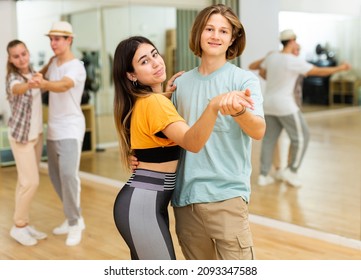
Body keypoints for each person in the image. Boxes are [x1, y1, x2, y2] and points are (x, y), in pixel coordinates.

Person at [112, 36, 253, 260]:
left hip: (141, 203)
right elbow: (192, 142)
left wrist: (164, 95)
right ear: (131, 75)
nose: (156, 63)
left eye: (155, 54)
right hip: (142, 207)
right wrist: (214, 105)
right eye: (144, 61)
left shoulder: (149, 101)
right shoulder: (155, 103)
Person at [169, 4, 265, 260]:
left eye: (224, 31)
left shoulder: (244, 81)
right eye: (210, 29)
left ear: (232, 39)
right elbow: (172, 137)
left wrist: (239, 112)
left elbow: (258, 131)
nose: (215, 36)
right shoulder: (179, 83)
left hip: (227, 198)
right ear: (199, 32)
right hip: (185, 199)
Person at [249, 29, 350, 187]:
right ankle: (292, 171)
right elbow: (319, 71)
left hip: (268, 104)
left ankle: (263, 175)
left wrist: (272, 61)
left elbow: (258, 70)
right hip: (286, 105)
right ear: (292, 41)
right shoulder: (292, 60)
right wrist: (340, 68)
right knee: (302, 137)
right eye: (295, 41)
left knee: (269, 140)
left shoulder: (272, 57)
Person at [40, 21, 87, 246]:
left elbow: (64, 85)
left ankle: (74, 221)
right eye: (51, 39)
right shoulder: (52, 63)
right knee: (55, 177)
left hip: (71, 127)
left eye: (57, 38)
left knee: (69, 175)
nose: (53, 43)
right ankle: (73, 216)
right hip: (53, 128)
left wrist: (44, 82)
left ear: (69, 40)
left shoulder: (76, 66)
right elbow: (41, 80)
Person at [6, 40, 47, 246]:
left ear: (28, 53)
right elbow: (17, 89)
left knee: (24, 181)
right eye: (16, 56)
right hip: (21, 137)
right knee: (32, 182)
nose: (21, 58)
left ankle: (24, 223)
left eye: (23, 54)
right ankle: (18, 226)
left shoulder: (33, 71)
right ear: (10, 59)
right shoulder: (13, 78)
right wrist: (29, 84)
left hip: (36, 135)